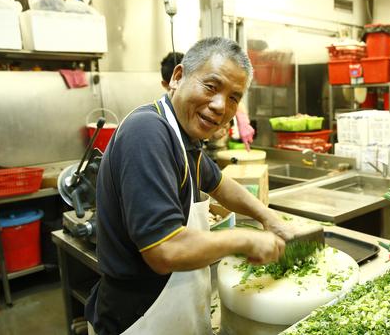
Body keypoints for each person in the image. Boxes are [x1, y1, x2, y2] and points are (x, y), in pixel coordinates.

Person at [86, 37, 295, 335]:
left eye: (234, 97)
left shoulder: (184, 138)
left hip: (174, 311)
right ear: (178, 77)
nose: (221, 105)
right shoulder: (147, 132)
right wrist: (246, 239)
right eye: (211, 87)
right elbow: (165, 250)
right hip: (137, 318)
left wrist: (268, 217)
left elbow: (221, 185)